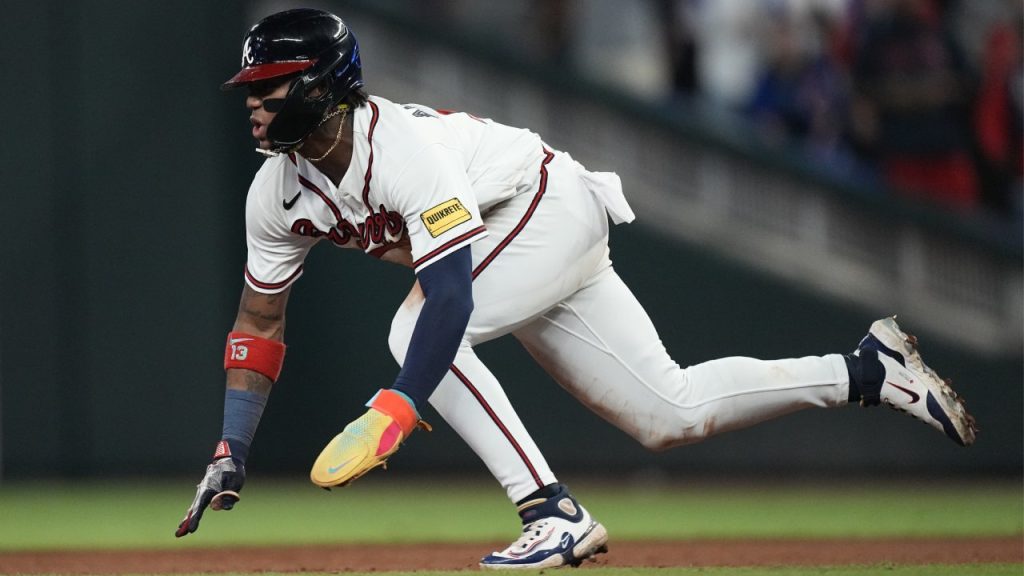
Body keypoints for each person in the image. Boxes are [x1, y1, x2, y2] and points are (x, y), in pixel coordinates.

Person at [175, 8, 977, 570]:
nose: (253, 98)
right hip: (511, 242)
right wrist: (231, 447)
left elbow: (450, 299)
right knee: (671, 413)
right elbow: (258, 319)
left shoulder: (403, 150)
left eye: (269, 83)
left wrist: (399, 405)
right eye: (252, 84)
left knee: (413, 334)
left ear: (318, 86)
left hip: (542, 206)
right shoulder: (274, 192)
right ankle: (870, 370)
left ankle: (549, 512)